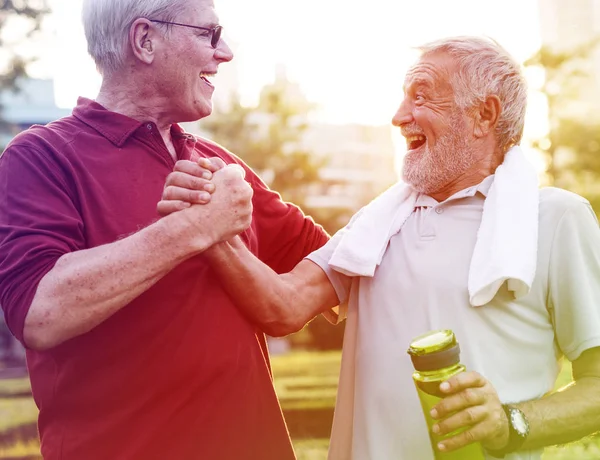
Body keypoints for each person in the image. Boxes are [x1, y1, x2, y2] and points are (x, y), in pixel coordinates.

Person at [165, 36, 600, 459]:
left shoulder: (556, 218)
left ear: (483, 115)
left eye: (421, 97)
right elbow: (282, 306)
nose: (399, 116)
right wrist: (207, 224)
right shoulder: (376, 224)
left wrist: (511, 423)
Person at [0, 0, 328, 459]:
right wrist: (195, 228)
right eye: (209, 35)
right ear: (144, 40)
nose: (226, 53)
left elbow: (331, 261)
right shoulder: (41, 157)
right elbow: (40, 311)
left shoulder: (224, 167)